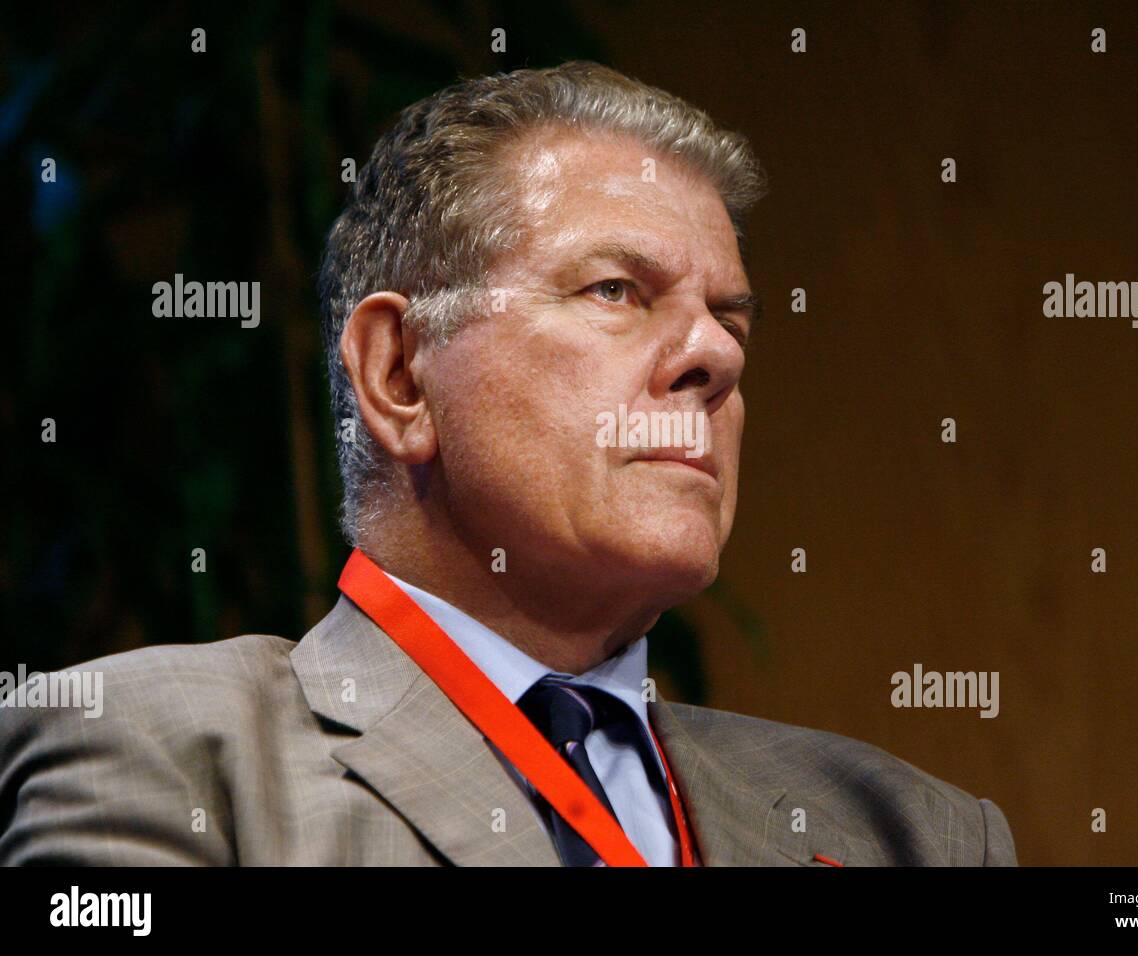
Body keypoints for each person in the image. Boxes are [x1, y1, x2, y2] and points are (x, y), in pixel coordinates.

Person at [0, 61, 1016, 866]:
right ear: (400, 373)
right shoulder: (163, 752)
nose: (716, 355)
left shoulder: (917, 831)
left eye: (729, 317)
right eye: (617, 289)